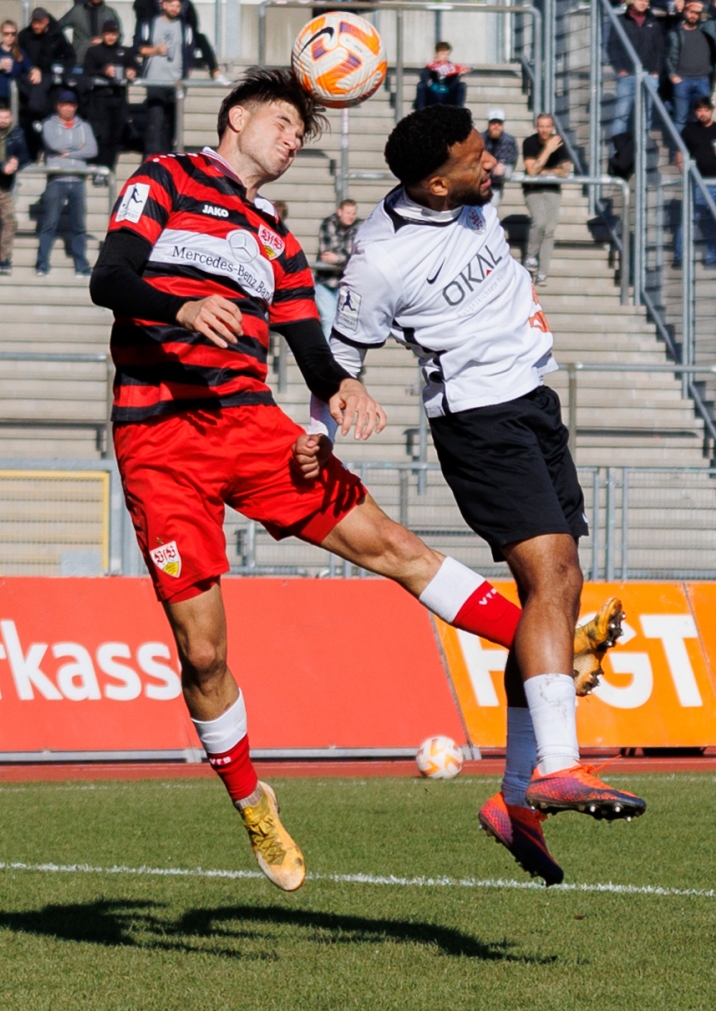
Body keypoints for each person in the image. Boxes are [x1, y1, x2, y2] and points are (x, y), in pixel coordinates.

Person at [89, 70, 633, 892]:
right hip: (160, 439)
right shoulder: (165, 178)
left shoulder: (277, 239)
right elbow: (111, 276)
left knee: (396, 547)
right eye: (281, 122)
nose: (291, 140)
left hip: (251, 427)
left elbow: (314, 348)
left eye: (300, 134)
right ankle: (253, 803)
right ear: (235, 118)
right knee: (202, 653)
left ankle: (558, 651)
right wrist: (180, 309)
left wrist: (338, 394)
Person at [313, 103, 644, 885]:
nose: (490, 163)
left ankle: (516, 799)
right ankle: (556, 767)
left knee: (556, 592)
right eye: (474, 159)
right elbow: (338, 361)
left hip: (533, 399)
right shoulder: (379, 261)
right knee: (551, 577)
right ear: (436, 183)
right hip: (479, 421)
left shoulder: (469, 196)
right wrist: (318, 438)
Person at [36, 89, 97, 277]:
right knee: (49, 224)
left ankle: (81, 265)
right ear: (58, 106)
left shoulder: (84, 126)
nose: (68, 108)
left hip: (78, 180)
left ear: (75, 107)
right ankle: (42, 263)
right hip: (57, 179)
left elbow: (92, 150)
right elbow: (54, 144)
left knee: (79, 226)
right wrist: (79, 148)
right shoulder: (49, 124)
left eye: (71, 105)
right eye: (64, 105)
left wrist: (68, 153)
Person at [138, 0, 194, 157]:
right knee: (155, 121)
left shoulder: (185, 27)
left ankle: (167, 159)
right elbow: (139, 48)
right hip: (155, 79)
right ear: (163, 5)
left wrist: (186, 73)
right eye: (171, 5)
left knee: (170, 125)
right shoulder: (151, 23)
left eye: (177, 6)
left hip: (175, 81)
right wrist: (155, 50)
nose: (174, 9)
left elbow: (189, 52)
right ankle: (151, 158)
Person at [18, 9, 76, 161]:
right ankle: (31, 156)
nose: (36, 26)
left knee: (48, 120)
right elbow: (19, 57)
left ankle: (48, 153)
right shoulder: (24, 35)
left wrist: (59, 68)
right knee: (30, 118)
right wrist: (31, 69)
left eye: (39, 23)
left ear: (46, 22)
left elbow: (69, 56)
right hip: (29, 82)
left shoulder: (56, 35)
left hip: (51, 84)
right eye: (34, 22)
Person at [522, 113, 572, 283]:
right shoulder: (529, 142)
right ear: (537, 127)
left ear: (552, 128)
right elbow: (532, 171)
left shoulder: (559, 142)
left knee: (549, 229)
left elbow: (565, 171)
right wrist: (548, 150)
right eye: (541, 126)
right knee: (540, 221)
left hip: (552, 188)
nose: (544, 130)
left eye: (547, 127)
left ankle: (543, 271)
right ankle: (531, 256)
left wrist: (545, 171)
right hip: (533, 189)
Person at [82, 20, 138, 170]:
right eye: (107, 34)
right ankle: (99, 170)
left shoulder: (125, 51)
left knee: (116, 137)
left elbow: (136, 66)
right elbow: (87, 70)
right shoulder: (94, 51)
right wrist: (103, 71)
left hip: (119, 99)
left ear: (118, 35)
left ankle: (109, 170)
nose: (111, 37)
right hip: (100, 100)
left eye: (113, 34)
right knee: (102, 136)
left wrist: (132, 71)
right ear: (102, 34)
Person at [608, 0, 664, 135]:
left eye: (646, 1)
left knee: (646, 116)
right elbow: (612, 47)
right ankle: (618, 149)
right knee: (621, 116)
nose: (643, 3)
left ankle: (641, 149)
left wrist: (656, 72)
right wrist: (620, 68)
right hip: (627, 76)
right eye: (640, 0)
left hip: (648, 75)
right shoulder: (621, 21)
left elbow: (660, 48)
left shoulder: (653, 22)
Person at [149, 0, 224, 81]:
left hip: (182, 33)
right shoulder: (156, 1)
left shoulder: (185, 2)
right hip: (161, 35)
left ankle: (215, 71)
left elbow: (193, 23)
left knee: (201, 38)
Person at [675, 96, 716, 265]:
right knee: (689, 219)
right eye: (699, 110)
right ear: (695, 112)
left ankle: (712, 256)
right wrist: (685, 173)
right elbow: (679, 154)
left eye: (706, 110)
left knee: (713, 220)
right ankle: (680, 256)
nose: (703, 113)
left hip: (715, 182)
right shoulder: (689, 130)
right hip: (697, 183)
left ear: (711, 111)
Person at [314, 199, 361, 338]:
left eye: (353, 213)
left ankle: (343, 351)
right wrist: (346, 258)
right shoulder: (328, 224)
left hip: (349, 283)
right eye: (348, 213)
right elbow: (327, 254)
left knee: (348, 322)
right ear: (339, 212)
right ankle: (329, 351)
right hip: (326, 282)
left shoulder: (359, 227)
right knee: (329, 318)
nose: (351, 216)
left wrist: (338, 259)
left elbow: (357, 255)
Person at [666, 0, 715, 130]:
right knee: (680, 119)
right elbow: (668, 56)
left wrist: (704, 7)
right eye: (691, 12)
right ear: (685, 12)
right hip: (682, 80)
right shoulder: (675, 33)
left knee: (701, 119)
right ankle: (678, 144)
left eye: (697, 13)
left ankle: (697, 144)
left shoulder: (706, 32)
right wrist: (672, 75)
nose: (693, 15)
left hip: (702, 80)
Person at [0, 101, 29, 276]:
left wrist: (16, 161)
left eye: (6, 117)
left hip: (4, 186)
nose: (3, 120)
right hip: (0, 175)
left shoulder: (17, 133)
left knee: (9, 221)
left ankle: (4, 259)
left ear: (11, 118)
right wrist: (2, 166)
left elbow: (25, 155)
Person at [59, 0, 120, 67]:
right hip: (80, 59)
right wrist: (67, 48)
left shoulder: (109, 13)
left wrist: (105, 40)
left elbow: (119, 35)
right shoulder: (77, 11)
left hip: (103, 62)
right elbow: (57, 28)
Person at [415, 42, 469, 111]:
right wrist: (433, 69)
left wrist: (458, 75)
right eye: (443, 54)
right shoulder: (430, 66)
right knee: (421, 86)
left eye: (447, 54)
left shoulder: (452, 68)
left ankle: (458, 113)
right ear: (436, 54)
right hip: (432, 95)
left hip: (446, 95)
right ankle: (420, 113)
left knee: (462, 85)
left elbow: (453, 85)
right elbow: (423, 77)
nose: (445, 57)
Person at [481, 108, 518, 208]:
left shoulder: (509, 140)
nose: (496, 126)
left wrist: (501, 164)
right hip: (478, 182)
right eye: (493, 123)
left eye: (499, 123)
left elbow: (511, 160)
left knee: (506, 171)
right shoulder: (479, 139)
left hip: (496, 183)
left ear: (503, 125)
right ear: (488, 124)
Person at [0, 20, 33, 105]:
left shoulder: (20, 52)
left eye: (13, 34)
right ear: (1, 34)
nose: (10, 36)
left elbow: (29, 67)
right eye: (6, 34)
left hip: (15, 96)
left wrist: (35, 71)